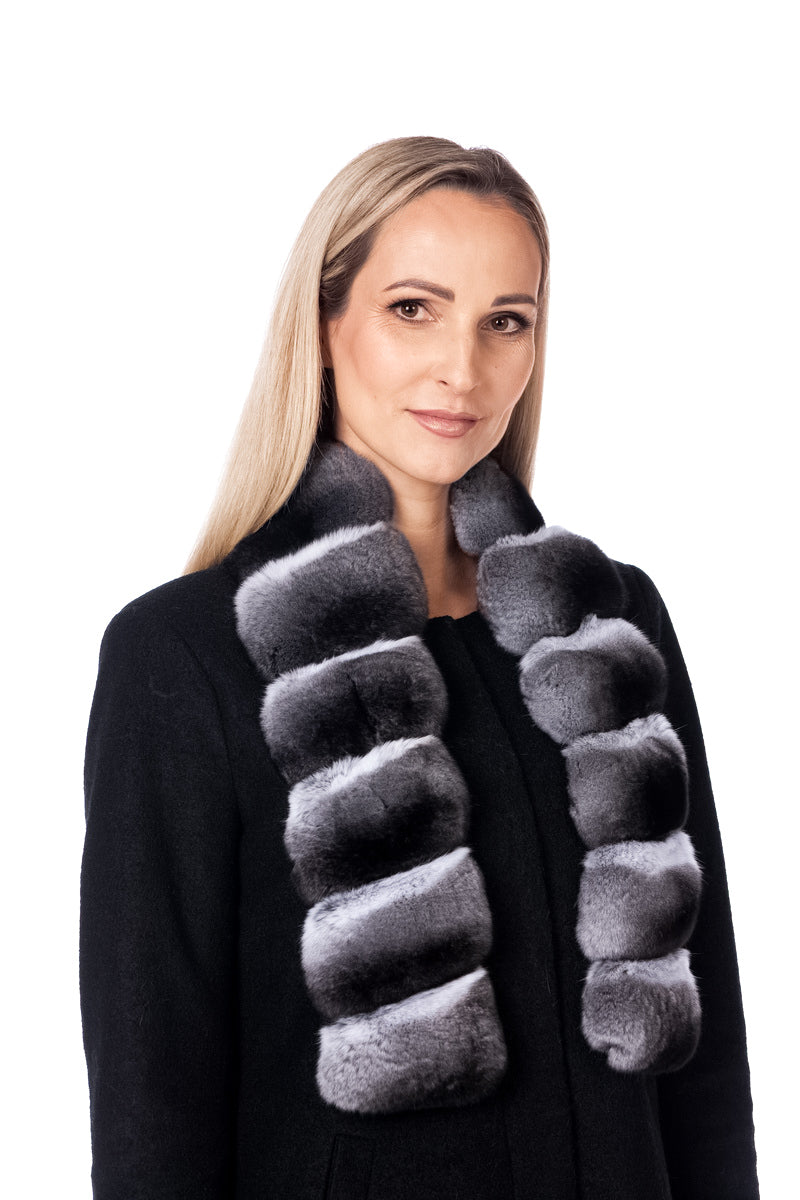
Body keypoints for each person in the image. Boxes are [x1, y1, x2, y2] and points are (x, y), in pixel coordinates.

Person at [80, 136, 759, 1199]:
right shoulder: (185, 654)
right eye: (413, 309)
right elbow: (151, 1096)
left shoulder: (606, 623)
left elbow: (703, 1047)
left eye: (505, 321)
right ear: (322, 325)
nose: (463, 368)